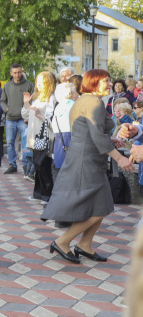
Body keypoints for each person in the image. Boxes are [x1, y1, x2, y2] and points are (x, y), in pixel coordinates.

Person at [42, 69, 134, 264]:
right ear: (93, 82)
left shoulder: (85, 100)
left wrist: (110, 140)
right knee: (100, 208)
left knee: (101, 205)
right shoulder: (93, 102)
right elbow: (97, 137)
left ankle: (85, 245)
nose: (110, 84)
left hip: (87, 158)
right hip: (87, 161)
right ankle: (62, 241)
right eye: (106, 81)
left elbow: (89, 131)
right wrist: (120, 158)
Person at [22, 71, 57, 182]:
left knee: (44, 169)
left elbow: (52, 121)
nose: (39, 84)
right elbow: (25, 116)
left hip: (44, 138)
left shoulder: (51, 98)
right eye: (38, 81)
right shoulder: (37, 97)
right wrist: (26, 103)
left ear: (48, 82)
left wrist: (40, 115)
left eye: (42, 82)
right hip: (35, 137)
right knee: (39, 168)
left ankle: (45, 192)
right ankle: (39, 191)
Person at [1, 64, 35, 174]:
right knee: (10, 142)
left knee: (25, 142)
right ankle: (12, 164)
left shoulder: (29, 85)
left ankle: (26, 165)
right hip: (10, 118)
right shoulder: (7, 86)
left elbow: (33, 100)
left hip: (23, 119)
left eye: (19, 72)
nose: (17, 75)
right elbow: (2, 101)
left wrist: (29, 113)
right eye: (15, 73)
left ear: (22, 72)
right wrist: (6, 109)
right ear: (11, 73)